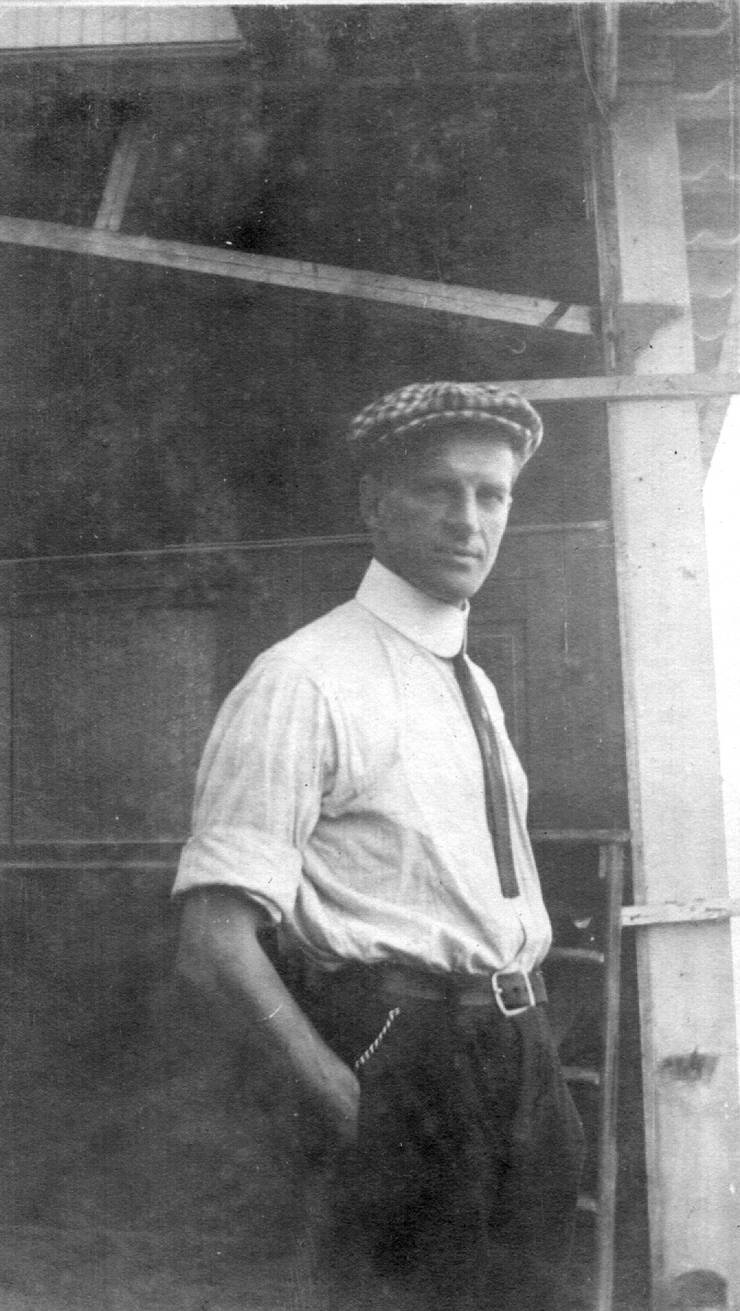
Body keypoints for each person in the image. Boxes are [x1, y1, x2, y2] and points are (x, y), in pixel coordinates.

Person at [173, 381, 584, 1310]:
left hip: (519, 1052)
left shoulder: (472, 682)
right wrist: (353, 1105)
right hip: (399, 1053)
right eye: (439, 489)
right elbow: (213, 943)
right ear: (373, 504)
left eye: (492, 494)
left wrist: (535, 1074)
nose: (468, 519)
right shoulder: (303, 680)